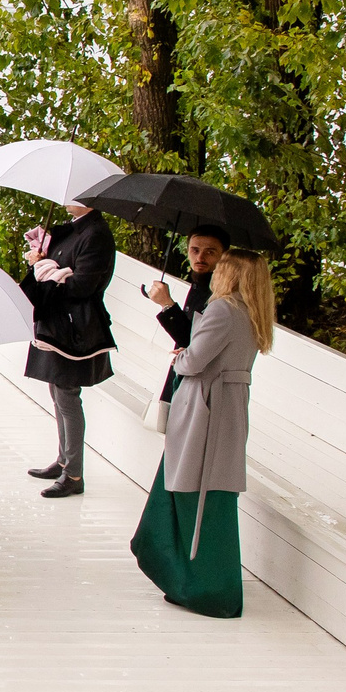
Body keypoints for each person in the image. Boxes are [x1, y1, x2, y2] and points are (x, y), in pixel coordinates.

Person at [131, 251, 274, 619]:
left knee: (194, 489)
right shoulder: (254, 311)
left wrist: (179, 356)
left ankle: (202, 587)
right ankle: (203, 584)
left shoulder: (223, 309)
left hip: (206, 407)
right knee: (212, 493)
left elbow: (195, 361)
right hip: (229, 404)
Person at [19, 201, 117, 497]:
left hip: (76, 328)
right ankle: (63, 460)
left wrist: (46, 268)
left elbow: (84, 285)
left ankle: (73, 474)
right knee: (57, 392)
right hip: (56, 322)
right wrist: (41, 259)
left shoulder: (96, 233)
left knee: (67, 395)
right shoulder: (73, 230)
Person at [145, 224, 229, 414]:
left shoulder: (219, 292)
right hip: (184, 372)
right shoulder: (200, 282)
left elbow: (194, 340)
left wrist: (167, 305)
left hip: (199, 384)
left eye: (210, 252)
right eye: (195, 250)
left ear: (224, 255)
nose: (200, 258)